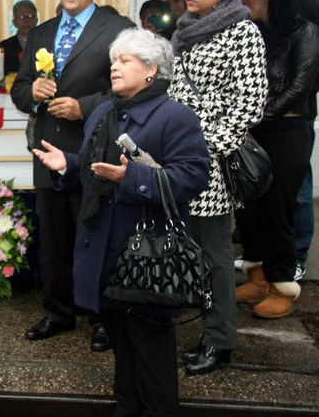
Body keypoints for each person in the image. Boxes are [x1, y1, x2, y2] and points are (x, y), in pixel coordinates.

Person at [34, 28, 210, 417]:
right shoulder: (103, 112)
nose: (114, 67)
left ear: (151, 70)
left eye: (125, 61)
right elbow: (95, 168)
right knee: (121, 347)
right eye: (113, 60)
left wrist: (130, 179)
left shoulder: (175, 116)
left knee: (151, 351)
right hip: (103, 251)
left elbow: (194, 178)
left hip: (147, 260)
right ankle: (127, 409)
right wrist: (69, 164)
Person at [10, 0, 133, 350]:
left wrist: (86, 106)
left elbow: (130, 89)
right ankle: (57, 313)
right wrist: (32, 94)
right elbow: (18, 89)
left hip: (93, 150)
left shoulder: (116, 29)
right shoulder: (42, 33)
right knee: (54, 239)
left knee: (95, 235)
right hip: (47, 151)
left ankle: (101, 317)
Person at [169, 0, 268, 375]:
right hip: (174, 161)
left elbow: (250, 106)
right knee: (183, 250)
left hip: (208, 165)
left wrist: (203, 145)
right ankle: (198, 326)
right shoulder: (186, 31)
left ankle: (220, 339)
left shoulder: (242, 33)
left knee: (214, 255)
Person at [236, 0, 319, 317]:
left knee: (278, 208)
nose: (244, 0)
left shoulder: (305, 31)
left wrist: (256, 114)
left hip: (288, 131)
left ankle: (281, 284)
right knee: (248, 205)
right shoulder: (253, 34)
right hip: (255, 131)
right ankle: (256, 278)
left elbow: (300, 86)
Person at [256, 0, 319, 280]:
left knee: (297, 189)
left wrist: (274, 108)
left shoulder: (307, 5)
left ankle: (297, 255)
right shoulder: (257, 4)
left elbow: (308, 73)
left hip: (297, 113)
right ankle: (266, 260)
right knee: (268, 192)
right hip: (267, 115)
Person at [0, 0, 38, 75]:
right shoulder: (4, 47)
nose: (26, 20)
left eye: (30, 16)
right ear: (14, 22)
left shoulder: (45, 44)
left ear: (36, 21)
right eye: (22, 17)